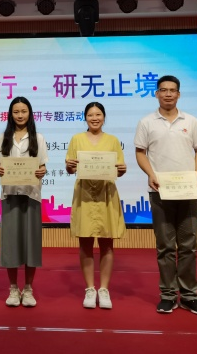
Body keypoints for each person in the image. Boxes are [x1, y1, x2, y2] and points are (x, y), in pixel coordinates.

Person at [134, 75, 197, 316]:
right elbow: (140, 152)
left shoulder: (191, 121)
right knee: (165, 246)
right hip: (160, 191)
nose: (168, 94)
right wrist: (150, 174)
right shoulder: (146, 122)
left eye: (172, 90)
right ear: (156, 93)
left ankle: (189, 296)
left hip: (188, 191)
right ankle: (167, 295)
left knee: (188, 246)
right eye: (163, 90)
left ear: (179, 94)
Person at [65, 102, 126, 310]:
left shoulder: (113, 140)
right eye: (90, 115)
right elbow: (70, 169)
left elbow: (119, 170)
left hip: (106, 195)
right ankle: (90, 289)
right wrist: (69, 166)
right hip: (84, 195)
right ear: (85, 117)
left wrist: (122, 170)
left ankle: (104, 289)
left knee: (107, 243)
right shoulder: (77, 139)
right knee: (85, 243)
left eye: (98, 114)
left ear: (104, 117)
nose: (94, 118)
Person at [0, 97, 49, 308]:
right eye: (16, 111)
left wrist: (42, 171)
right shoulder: (2, 138)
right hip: (10, 195)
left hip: (31, 195)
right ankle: (13, 288)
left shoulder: (38, 138)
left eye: (23, 111)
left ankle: (28, 288)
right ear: (10, 114)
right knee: (11, 243)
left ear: (30, 113)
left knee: (31, 243)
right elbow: (0, 165)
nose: (20, 115)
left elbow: (42, 166)